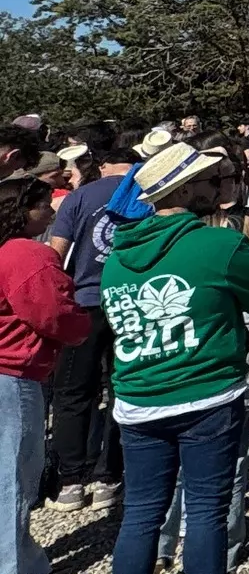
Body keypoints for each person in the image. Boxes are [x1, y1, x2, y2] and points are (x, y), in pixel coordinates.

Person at [100, 143, 249, 574]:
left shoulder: (115, 259)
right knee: (204, 512)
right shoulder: (214, 245)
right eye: (205, 179)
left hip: (138, 399)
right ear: (182, 191)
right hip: (206, 393)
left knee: (140, 517)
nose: (215, 186)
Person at [0, 174, 89, 574]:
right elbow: (55, 314)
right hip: (12, 375)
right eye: (42, 206)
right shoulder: (26, 255)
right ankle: (12, 573)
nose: (51, 212)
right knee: (14, 473)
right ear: (21, 211)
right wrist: (85, 327)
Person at [47, 142, 141, 512]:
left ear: (103, 165)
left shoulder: (79, 198)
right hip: (130, 301)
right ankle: (109, 476)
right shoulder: (143, 194)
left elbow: (56, 253)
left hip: (84, 302)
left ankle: (71, 480)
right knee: (123, 387)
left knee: (72, 392)